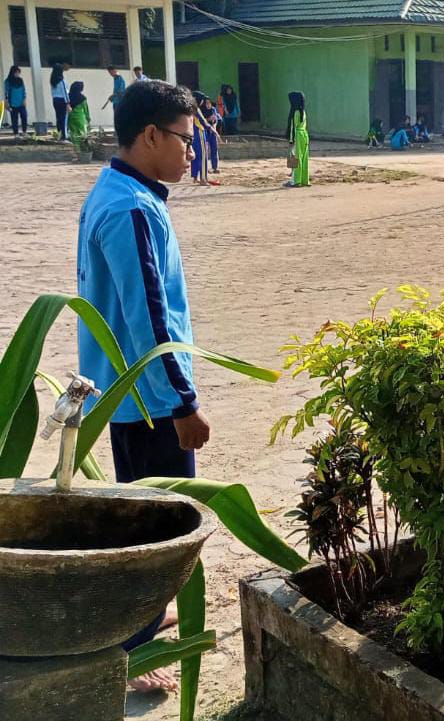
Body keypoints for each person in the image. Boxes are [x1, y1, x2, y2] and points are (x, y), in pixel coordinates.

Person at [77, 80, 207, 694]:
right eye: (186, 139)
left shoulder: (125, 192)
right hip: (145, 400)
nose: (192, 152)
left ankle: (149, 614)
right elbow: (148, 318)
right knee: (157, 528)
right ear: (150, 135)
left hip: (130, 395)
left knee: (147, 513)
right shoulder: (129, 208)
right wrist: (183, 403)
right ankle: (133, 651)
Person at [188, 92, 217, 185]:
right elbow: (203, 121)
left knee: (196, 156)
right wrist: (211, 128)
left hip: (193, 134)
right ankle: (203, 179)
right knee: (203, 156)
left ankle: (195, 177)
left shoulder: (190, 108)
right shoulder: (196, 109)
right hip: (199, 133)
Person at [286, 91, 310, 187]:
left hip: (297, 136)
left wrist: (291, 140)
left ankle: (295, 180)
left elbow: (292, 127)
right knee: (304, 158)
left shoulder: (295, 112)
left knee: (294, 157)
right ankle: (304, 180)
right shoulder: (303, 112)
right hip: (304, 135)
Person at [4, 66, 27, 137]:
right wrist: (7, 103)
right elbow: (6, 92)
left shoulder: (21, 80)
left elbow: (24, 90)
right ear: (12, 73)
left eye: (18, 72)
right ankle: (16, 133)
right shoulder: (8, 81)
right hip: (12, 103)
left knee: (24, 116)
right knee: (14, 119)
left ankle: (24, 132)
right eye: (16, 72)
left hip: (21, 103)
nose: (17, 74)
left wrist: (24, 100)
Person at [67, 81, 91, 147]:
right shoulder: (83, 98)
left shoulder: (68, 96)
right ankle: (83, 150)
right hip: (80, 119)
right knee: (82, 135)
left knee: (74, 136)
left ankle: (76, 150)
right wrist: (88, 119)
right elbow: (86, 110)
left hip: (71, 119)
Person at [50, 62, 70, 141]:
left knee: (58, 118)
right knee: (64, 118)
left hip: (55, 100)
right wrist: (68, 103)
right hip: (62, 100)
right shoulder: (61, 81)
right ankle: (65, 136)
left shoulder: (52, 81)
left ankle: (60, 134)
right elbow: (65, 92)